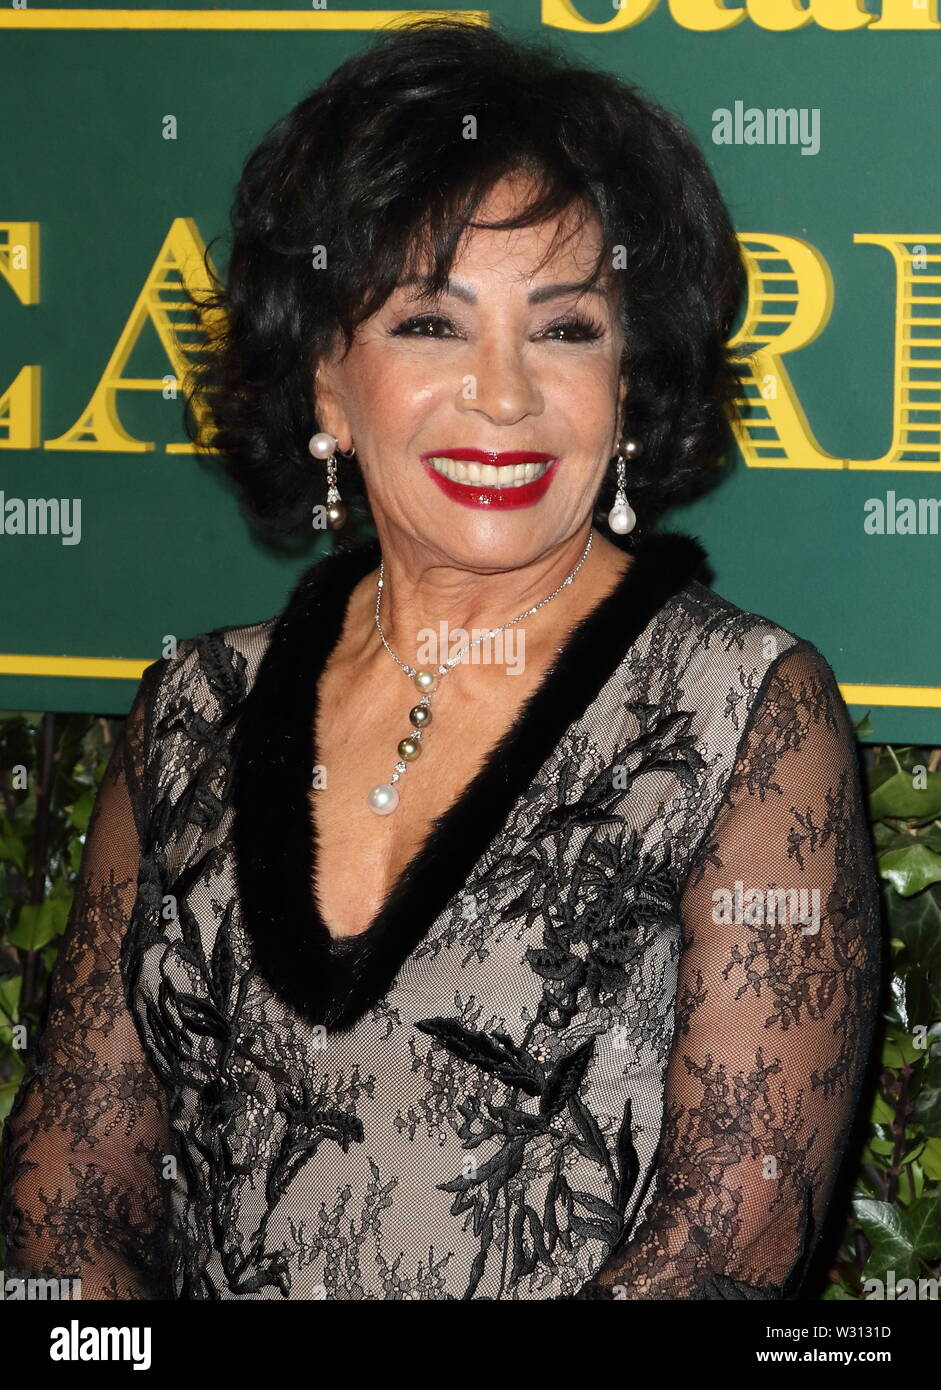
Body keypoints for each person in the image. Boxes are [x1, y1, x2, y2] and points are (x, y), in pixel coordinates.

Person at [0, 17, 882, 1300]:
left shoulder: (737, 713)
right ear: (323, 382)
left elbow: (732, 1241)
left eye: (567, 328)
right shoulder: (193, 710)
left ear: (628, 385)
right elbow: (65, 1176)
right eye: (429, 322)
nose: (505, 394)